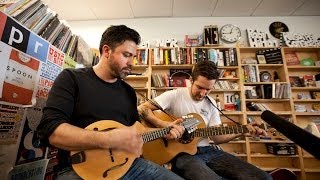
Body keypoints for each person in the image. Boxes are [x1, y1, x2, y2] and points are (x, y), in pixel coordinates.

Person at [36, 25, 184, 180]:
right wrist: (109, 139)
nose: (131, 62)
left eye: (133, 56)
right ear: (107, 51)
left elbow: (134, 133)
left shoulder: (128, 92)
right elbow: (52, 132)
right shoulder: (71, 79)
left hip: (128, 166)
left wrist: (163, 130)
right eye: (126, 55)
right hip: (79, 169)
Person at [138, 60, 273, 180]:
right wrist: (164, 125)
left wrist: (242, 131)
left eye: (208, 89)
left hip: (208, 151)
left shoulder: (211, 103)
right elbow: (142, 109)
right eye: (199, 87)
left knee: (263, 177)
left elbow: (217, 138)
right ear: (191, 80)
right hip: (183, 155)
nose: (202, 93)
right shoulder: (174, 95)